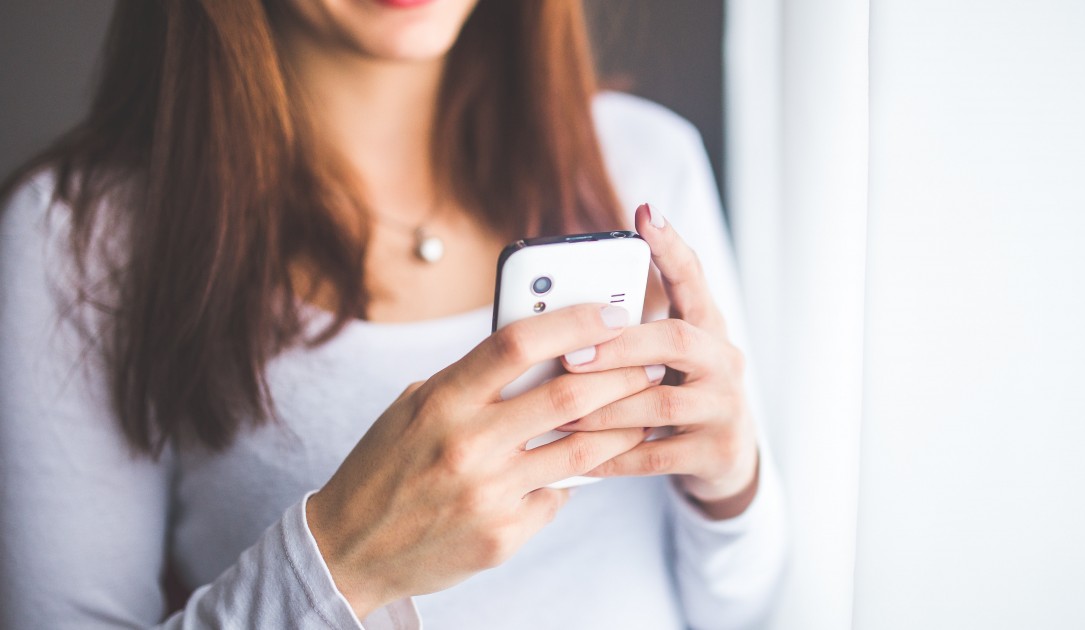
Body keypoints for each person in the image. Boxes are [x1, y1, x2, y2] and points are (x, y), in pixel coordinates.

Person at [0, 1, 785, 628]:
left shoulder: (647, 163)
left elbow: (747, 610)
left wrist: (732, 486)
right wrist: (343, 562)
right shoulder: (78, 237)